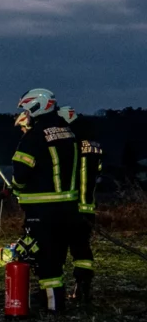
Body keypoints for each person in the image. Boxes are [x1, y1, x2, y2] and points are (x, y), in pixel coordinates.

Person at [10, 88, 79, 314]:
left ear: (36, 107)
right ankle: (52, 298)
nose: (25, 115)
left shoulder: (34, 136)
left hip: (42, 209)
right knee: (58, 256)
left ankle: (52, 304)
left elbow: (20, 173)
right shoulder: (67, 132)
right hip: (68, 207)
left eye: (26, 110)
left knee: (45, 257)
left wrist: (16, 188)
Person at [59, 106, 100, 303]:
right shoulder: (93, 142)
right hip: (88, 204)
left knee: (60, 246)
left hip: (73, 204)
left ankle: (57, 290)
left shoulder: (73, 142)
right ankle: (83, 287)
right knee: (82, 247)